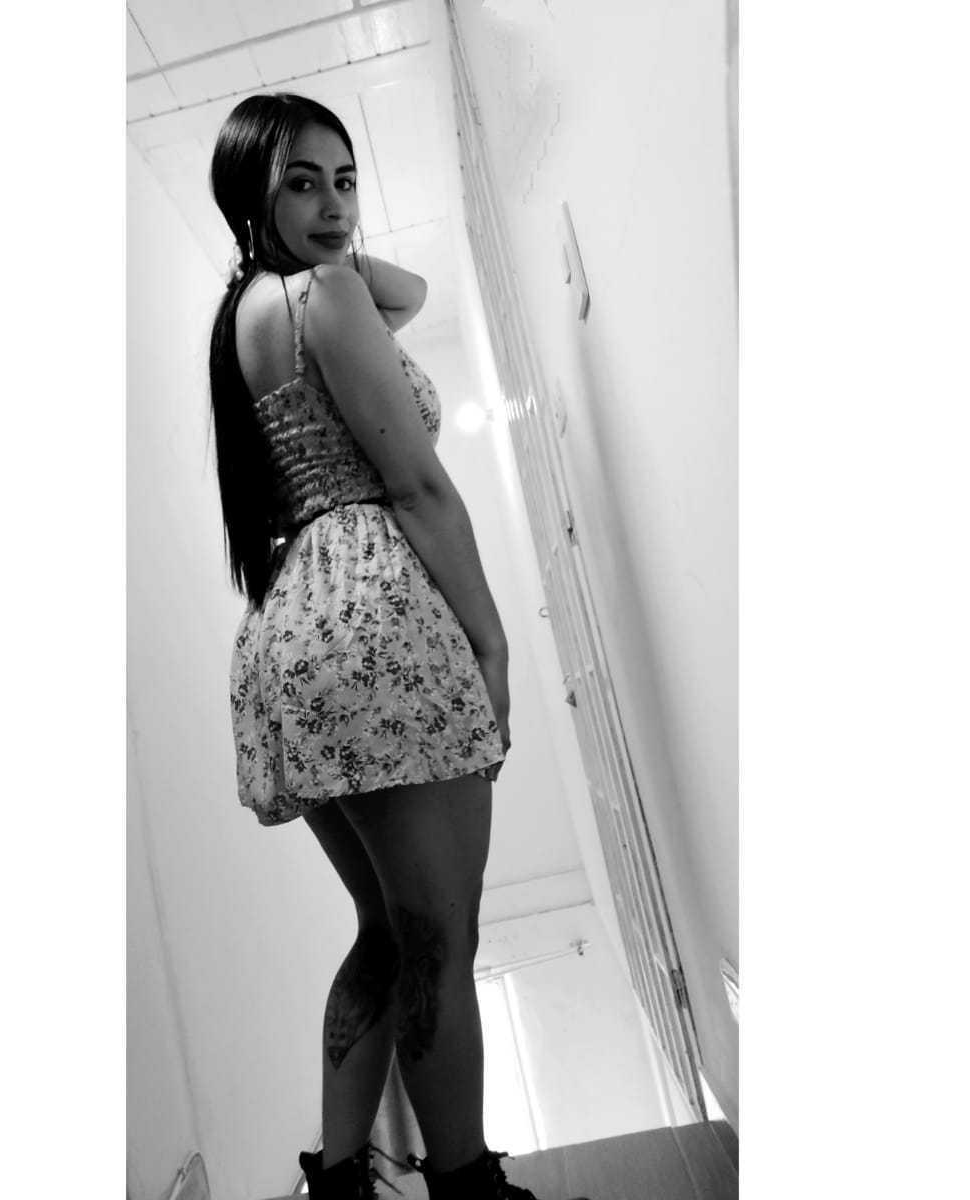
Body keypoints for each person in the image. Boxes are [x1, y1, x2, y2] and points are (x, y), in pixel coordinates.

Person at [206, 94, 562, 1200]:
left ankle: (338, 1181)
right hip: (377, 623)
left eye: (345, 179)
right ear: (250, 193)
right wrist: (492, 646)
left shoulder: (252, 311)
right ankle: (464, 1188)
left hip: (294, 631)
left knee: (387, 933)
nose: (333, 205)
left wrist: (324, 238)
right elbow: (417, 487)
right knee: (440, 937)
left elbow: (403, 293)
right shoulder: (324, 296)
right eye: (301, 182)